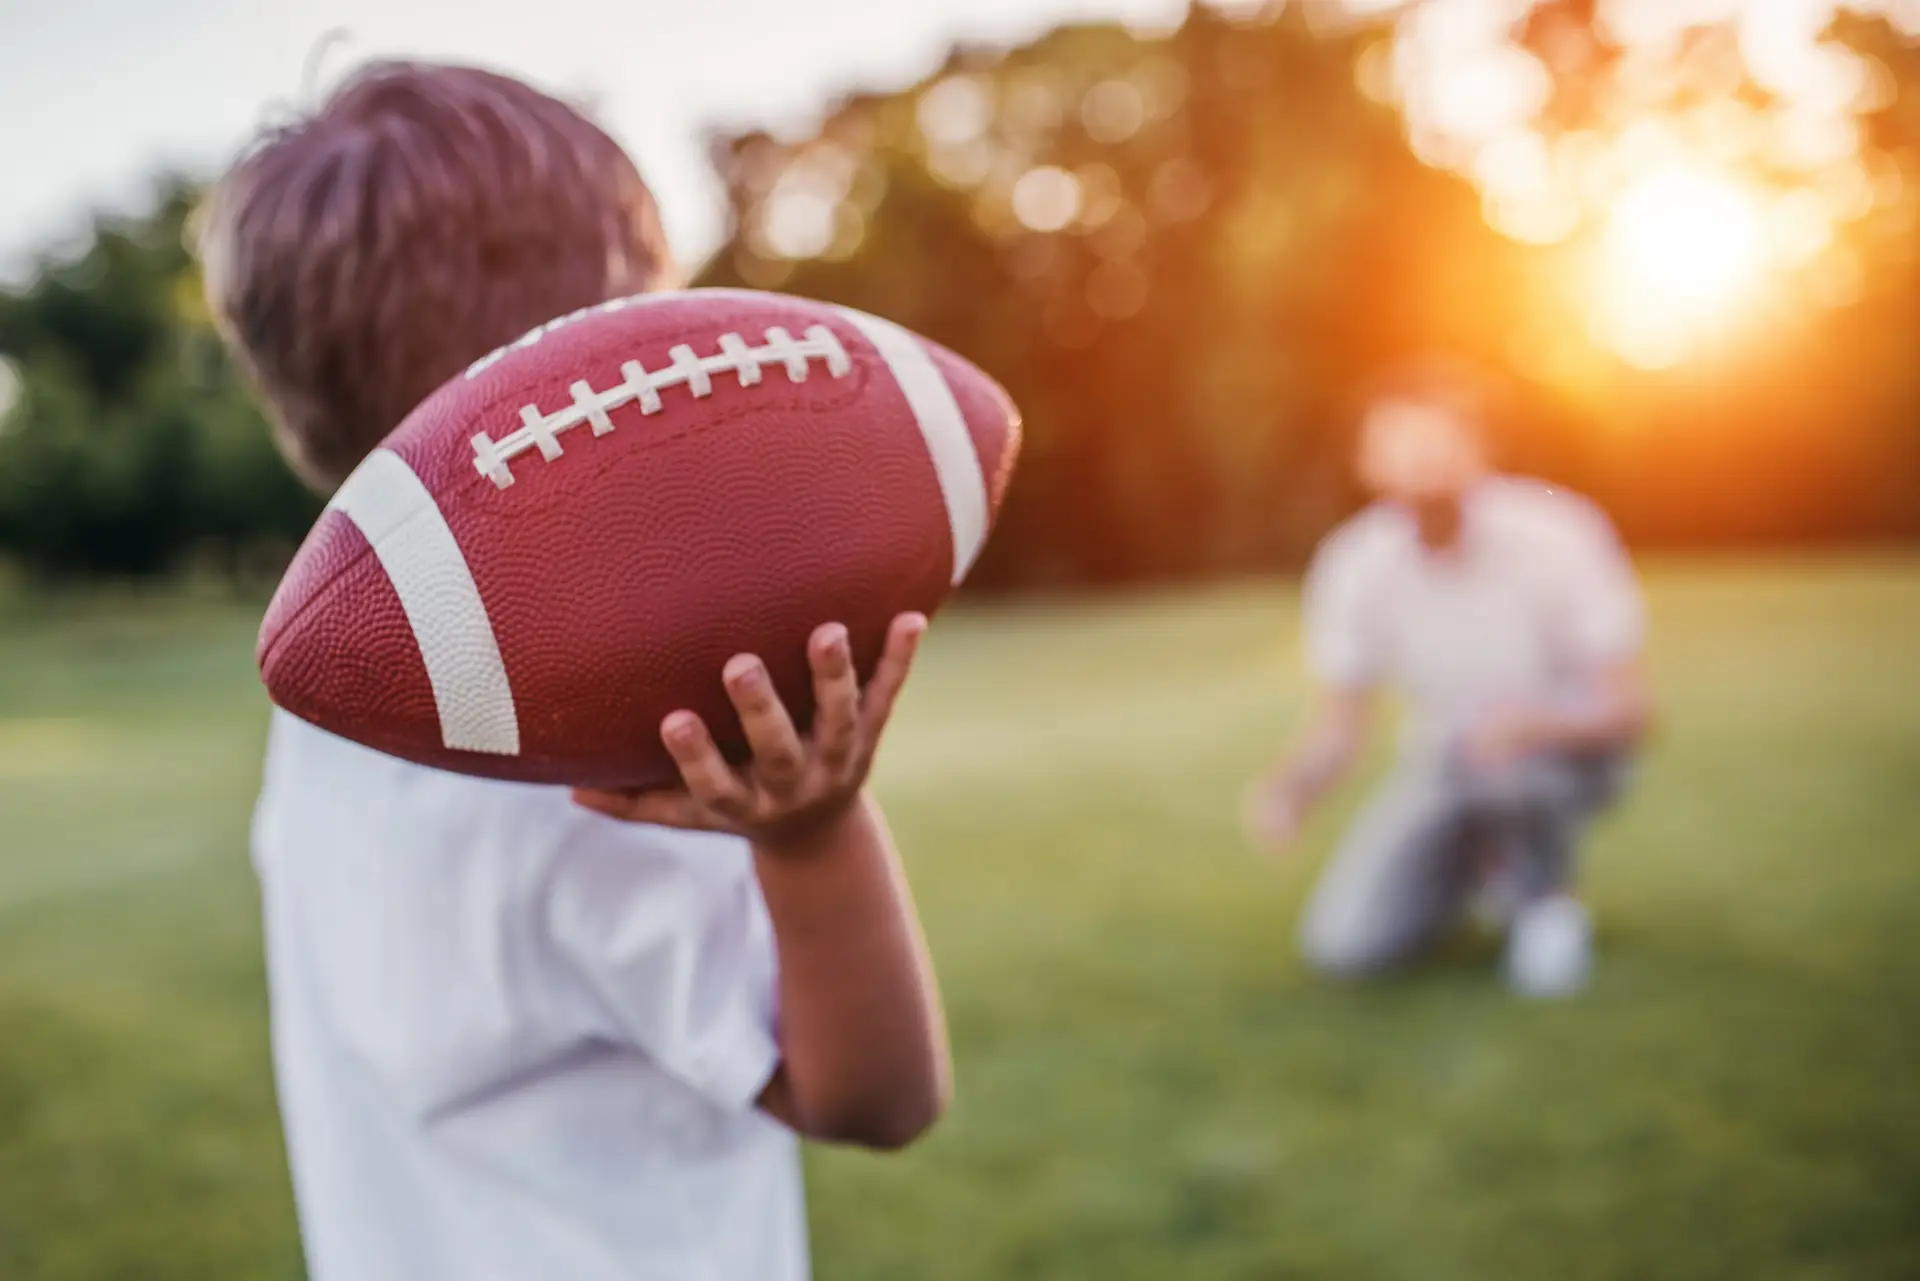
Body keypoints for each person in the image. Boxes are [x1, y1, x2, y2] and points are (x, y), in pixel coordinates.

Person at [201, 62, 948, 1281]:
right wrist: (816, 840)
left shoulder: (329, 709)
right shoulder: (593, 781)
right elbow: (878, 1095)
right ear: (591, 379)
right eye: (658, 317)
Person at [1246, 361, 1653, 996]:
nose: (1423, 464)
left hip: (1568, 754)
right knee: (1345, 948)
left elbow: (1631, 709)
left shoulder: (1559, 530)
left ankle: (1546, 906)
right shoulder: (1354, 564)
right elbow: (1342, 723)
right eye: (1401, 446)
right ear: (1366, 463)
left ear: (1481, 450)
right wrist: (1292, 789)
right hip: (1447, 763)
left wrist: (1532, 725)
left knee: (1507, 766)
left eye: (1439, 444)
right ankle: (1480, 868)